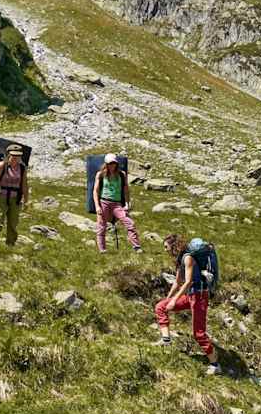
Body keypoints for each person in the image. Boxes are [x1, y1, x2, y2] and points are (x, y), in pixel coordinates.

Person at [154, 234, 221, 375]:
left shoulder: (188, 258)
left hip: (200, 295)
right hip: (190, 295)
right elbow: (177, 282)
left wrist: (173, 300)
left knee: (198, 333)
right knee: (160, 306)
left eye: (166, 246)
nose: (165, 250)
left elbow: (188, 281)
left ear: (173, 245)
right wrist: (168, 299)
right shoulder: (180, 260)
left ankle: (215, 365)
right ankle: (166, 340)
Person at [93, 154, 141, 253]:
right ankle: (102, 250)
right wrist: (97, 206)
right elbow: (95, 191)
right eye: (110, 163)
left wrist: (127, 203)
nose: (112, 165)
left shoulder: (122, 174)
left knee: (129, 223)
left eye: (114, 163)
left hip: (117, 204)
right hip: (104, 202)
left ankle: (136, 246)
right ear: (106, 164)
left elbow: (126, 190)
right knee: (101, 226)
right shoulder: (100, 174)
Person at [0, 144, 28, 248]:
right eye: (13, 156)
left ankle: (10, 246)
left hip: (16, 199)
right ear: (8, 155)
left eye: (18, 156)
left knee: (13, 224)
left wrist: (26, 200)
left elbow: (24, 184)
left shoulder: (22, 168)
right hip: (1, 196)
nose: (15, 158)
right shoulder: (1, 166)